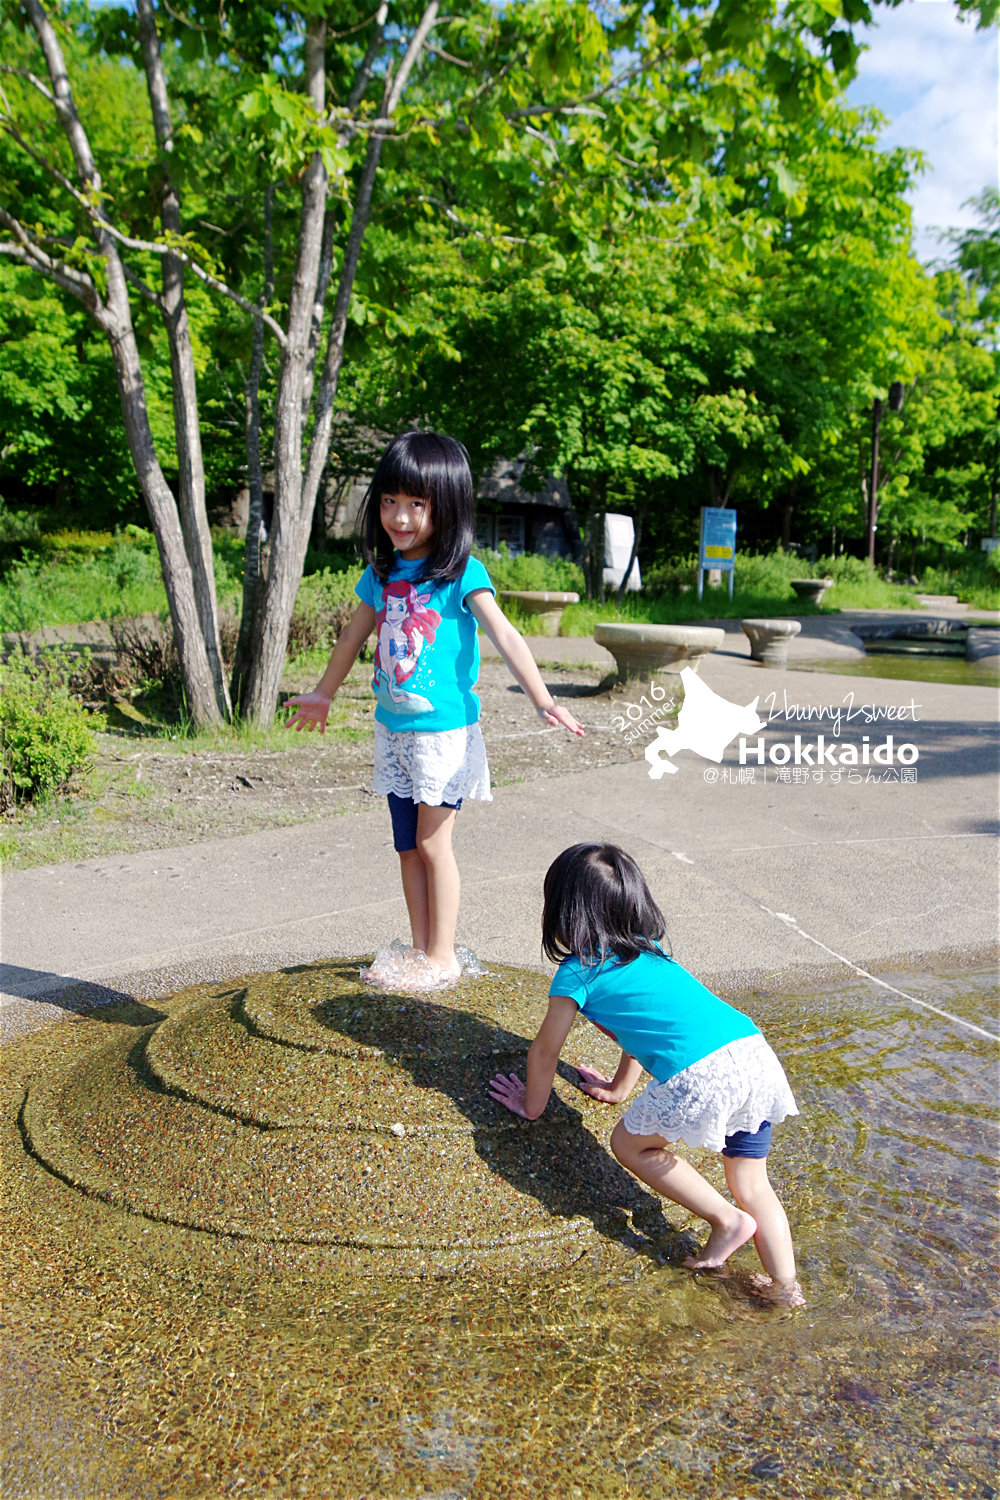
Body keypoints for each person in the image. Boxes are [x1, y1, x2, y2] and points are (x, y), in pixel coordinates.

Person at [285, 430, 584, 988]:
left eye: (416, 504)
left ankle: (442, 956)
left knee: (431, 843)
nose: (399, 517)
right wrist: (324, 693)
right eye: (390, 501)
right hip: (393, 731)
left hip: (442, 735)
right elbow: (352, 637)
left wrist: (543, 699)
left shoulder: (460, 572)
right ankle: (421, 951)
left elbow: (506, 634)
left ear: (444, 507)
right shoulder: (381, 574)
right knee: (405, 846)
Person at [489, 843, 804, 1306]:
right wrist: (618, 1089)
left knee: (628, 1144)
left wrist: (531, 1106)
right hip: (753, 1052)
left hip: (703, 1073)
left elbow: (544, 1051)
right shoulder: (652, 953)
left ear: (563, 908)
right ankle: (786, 1291)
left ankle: (726, 1220)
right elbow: (637, 1038)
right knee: (754, 1184)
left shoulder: (579, 973)